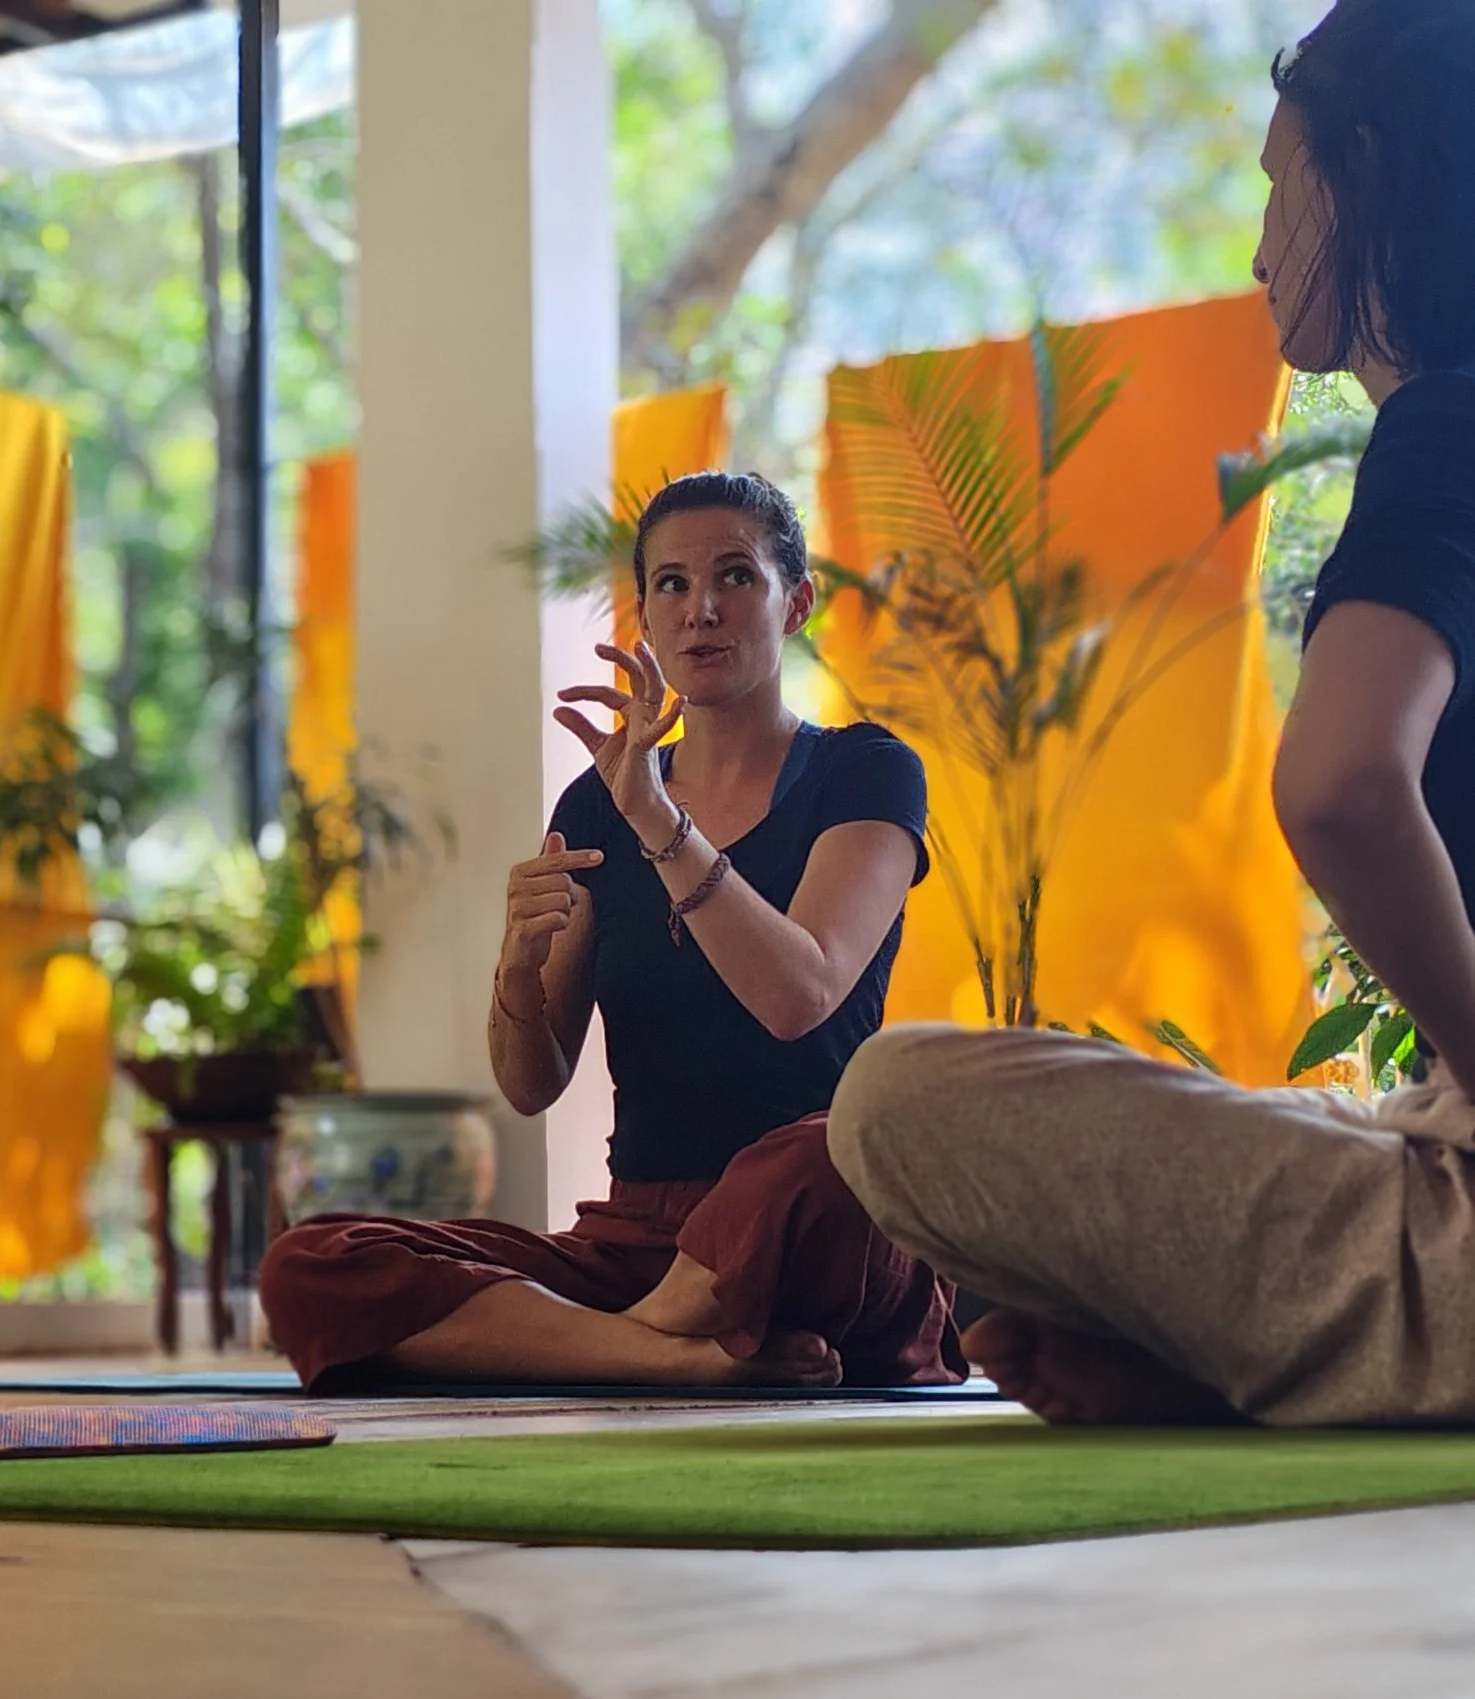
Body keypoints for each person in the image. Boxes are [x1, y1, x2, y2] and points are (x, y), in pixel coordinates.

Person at [827, 0, 1475, 1427]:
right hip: (1429, 1146)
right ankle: (1256, 1354)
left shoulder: (1449, 427)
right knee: (1320, 1125)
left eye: (1274, 182)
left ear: (1360, 169)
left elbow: (1345, 786)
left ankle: (1305, 1355)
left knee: (891, 1096)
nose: (1256, 246)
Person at [259, 472, 963, 1393]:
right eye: (670, 584)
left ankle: (629, 1341)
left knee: (839, 1147)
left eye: (734, 578)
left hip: (810, 1223)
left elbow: (802, 995)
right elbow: (530, 1083)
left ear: (796, 601)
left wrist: (663, 825)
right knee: (312, 1262)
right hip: (640, 1240)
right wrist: (516, 967)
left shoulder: (865, 771)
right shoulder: (598, 802)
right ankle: (666, 1353)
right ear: (647, 615)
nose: (700, 609)